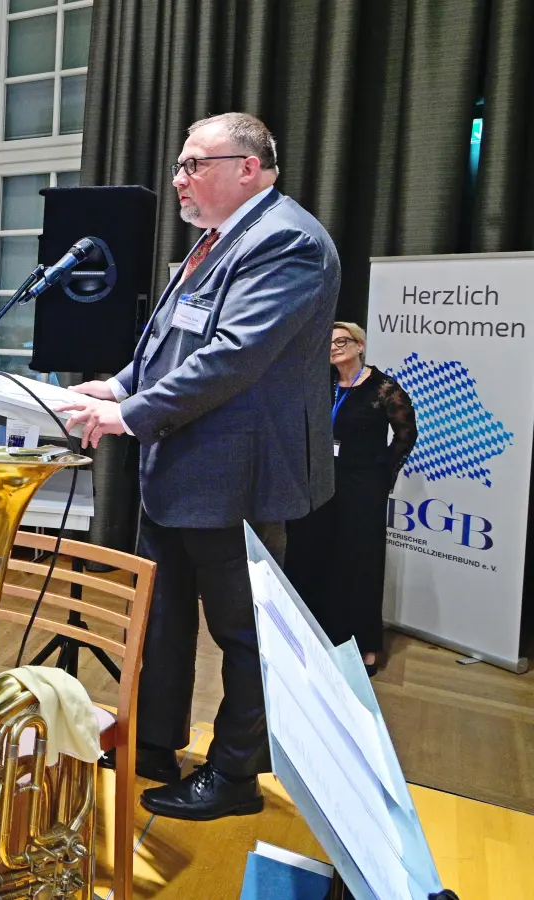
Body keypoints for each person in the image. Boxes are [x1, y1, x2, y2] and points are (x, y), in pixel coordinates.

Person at [57, 113, 339, 822]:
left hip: (237, 475)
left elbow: (235, 354)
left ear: (248, 166)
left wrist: (131, 415)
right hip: (179, 467)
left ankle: (235, 775)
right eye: (180, 165)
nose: (179, 179)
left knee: (244, 635)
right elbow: (170, 341)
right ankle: (153, 745)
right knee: (164, 621)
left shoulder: (287, 242)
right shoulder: (216, 241)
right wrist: (120, 386)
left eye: (194, 164)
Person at [285, 323, 416, 676]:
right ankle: (320, 636)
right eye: (328, 343)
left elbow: (406, 434)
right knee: (316, 555)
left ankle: (365, 645)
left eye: (342, 341)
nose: (334, 348)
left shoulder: (384, 388)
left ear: (359, 345)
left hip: (362, 487)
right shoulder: (323, 384)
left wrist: (382, 474)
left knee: (359, 561)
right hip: (322, 484)